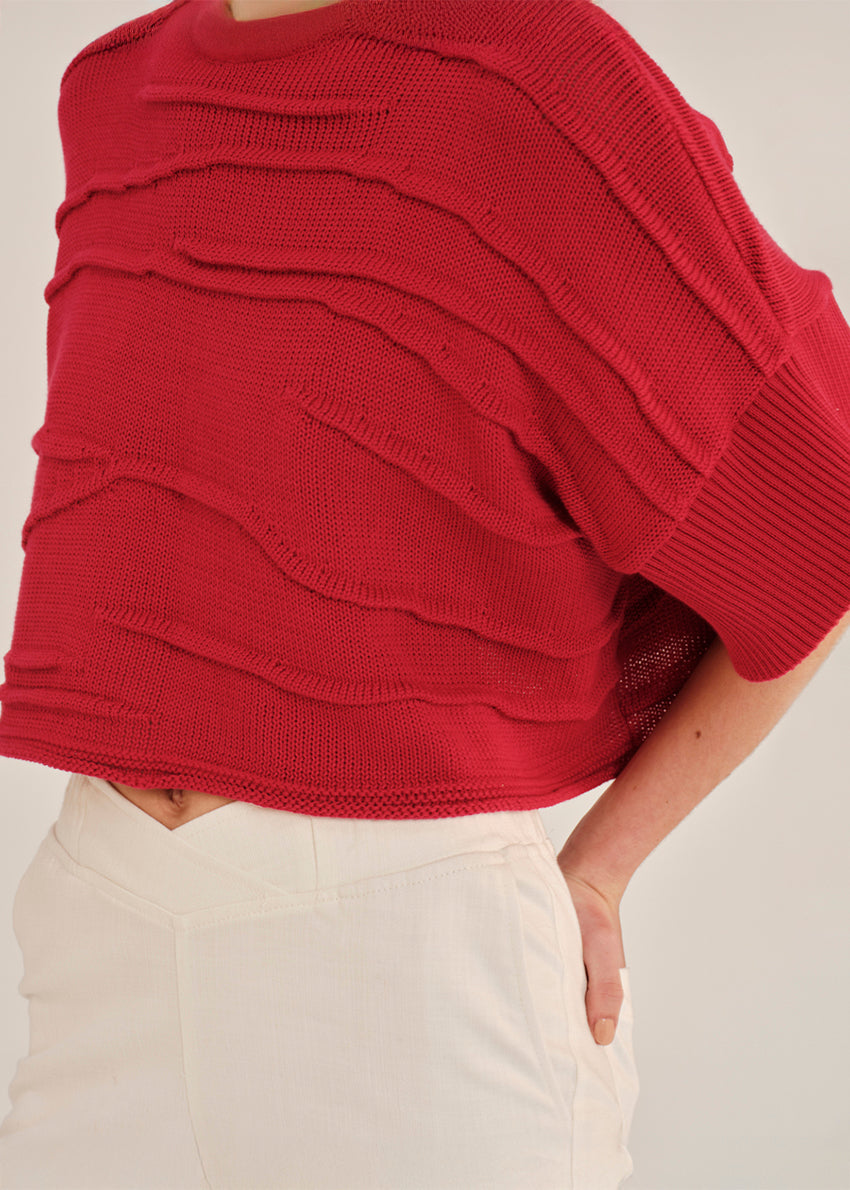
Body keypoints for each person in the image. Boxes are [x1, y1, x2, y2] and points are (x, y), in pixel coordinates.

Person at [2, 0, 849, 1186]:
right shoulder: (114, 89)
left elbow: (820, 503)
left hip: (399, 962)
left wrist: (600, 864)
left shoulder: (536, 73)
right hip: (97, 931)